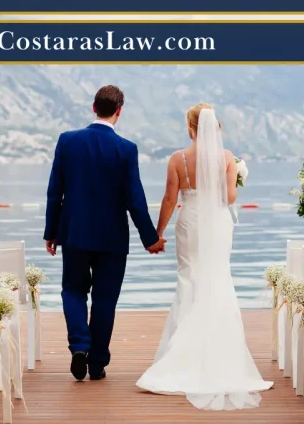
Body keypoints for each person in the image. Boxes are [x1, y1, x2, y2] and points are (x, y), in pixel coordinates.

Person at [136, 104, 272, 410]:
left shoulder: (178, 158)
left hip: (190, 221)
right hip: (218, 223)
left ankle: (181, 355)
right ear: (217, 128)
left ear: (190, 127)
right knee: (218, 278)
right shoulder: (227, 158)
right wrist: (234, 177)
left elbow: (170, 198)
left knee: (189, 279)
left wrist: (157, 233)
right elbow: (230, 198)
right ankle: (220, 354)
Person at [44, 85, 167, 382]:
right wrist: (150, 239)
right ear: (119, 111)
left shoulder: (67, 141)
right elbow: (135, 200)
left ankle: (79, 346)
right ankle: (97, 363)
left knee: (73, 290)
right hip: (112, 238)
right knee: (105, 300)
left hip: (74, 233)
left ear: (93, 107)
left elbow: (55, 192)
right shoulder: (126, 149)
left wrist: (51, 231)